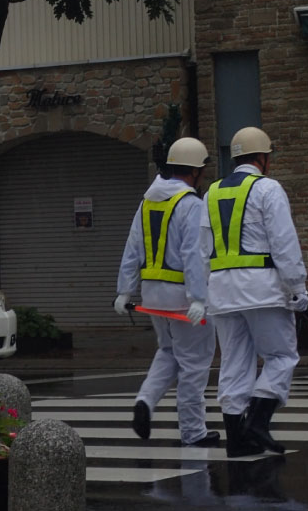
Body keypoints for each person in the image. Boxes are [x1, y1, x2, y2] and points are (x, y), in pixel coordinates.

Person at [200, 126, 308, 457]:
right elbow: (284, 242)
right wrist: (297, 287)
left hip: (222, 290)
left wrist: (205, 292)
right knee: (281, 356)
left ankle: (237, 440)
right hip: (262, 288)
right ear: (263, 158)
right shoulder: (268, 189)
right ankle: (259, 422)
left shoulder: (212, 193)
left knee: (234, 363)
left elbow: (203, 249)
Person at [114, 137, 219, 447]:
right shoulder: (191, 205)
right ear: (195, 172)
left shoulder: (147, 202)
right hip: (184, 298)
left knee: (169, 352)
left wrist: (124, 291)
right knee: (195, 363)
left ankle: (145, 400)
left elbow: (133, 248)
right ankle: (193, 431)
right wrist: (198, 298)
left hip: (152, 296)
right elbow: (195, 255)